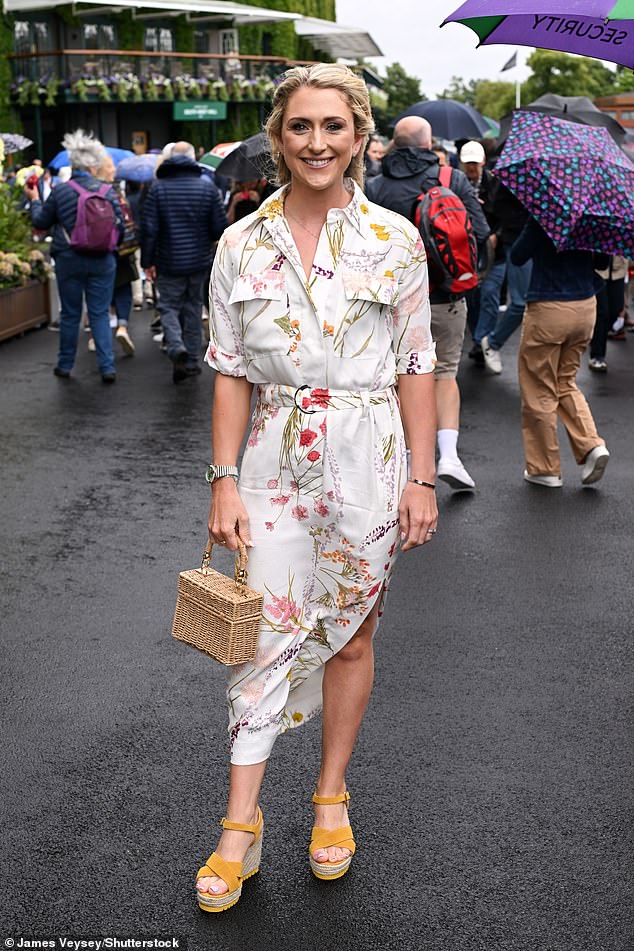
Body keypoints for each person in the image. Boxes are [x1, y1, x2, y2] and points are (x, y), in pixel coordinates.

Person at [196, 62, 438, 913]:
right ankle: (240, 823)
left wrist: (421, 475)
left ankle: (329, 795)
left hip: (369, 461)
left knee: (353, 633)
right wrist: (222, 481)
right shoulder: (240, 244)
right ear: (278, 136)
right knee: (265, 636)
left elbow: (417, 364)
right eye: (301, 126)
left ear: (360, 136)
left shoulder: (395, 241)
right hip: (269, 461)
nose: (317, 143)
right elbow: (228, 370)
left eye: (334, 126)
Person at [366, 116, 489, 491]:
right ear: (429, 142)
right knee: (444, 374)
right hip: (445, 296)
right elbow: (481, 232)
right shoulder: (451, 180)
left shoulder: (374, 186)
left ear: (393, 145)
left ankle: (403, 461)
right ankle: (449, 456)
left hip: (390, 301)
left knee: (397, 378)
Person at [511, 216, 610, 487]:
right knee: (565, 382)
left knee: (538, 386)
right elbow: (602, 263)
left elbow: (518, 256)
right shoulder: (595, 217)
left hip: (549, 306)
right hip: (585, 306)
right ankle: (591, 445)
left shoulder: (545, 213)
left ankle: (544, 468)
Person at [24, 130, 123, 383]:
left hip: (68, 257)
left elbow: (41, 222)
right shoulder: (107, 190)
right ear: (93, 165)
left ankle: (65, 365)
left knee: (70, 313)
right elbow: (119, 227)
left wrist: (34, 200)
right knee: (100, 313)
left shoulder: (61, 191)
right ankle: (107, 366)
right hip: (103, 259)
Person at [140, 141, 227, 382]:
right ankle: (190, 360)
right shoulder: (207, 188)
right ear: (193, 160)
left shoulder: (158, 189)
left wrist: (147, 261)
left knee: (168, 306)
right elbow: (219, 227)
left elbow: (149, 229)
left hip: (167, 260)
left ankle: (175, 346)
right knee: (193, 306)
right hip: (199, 260)